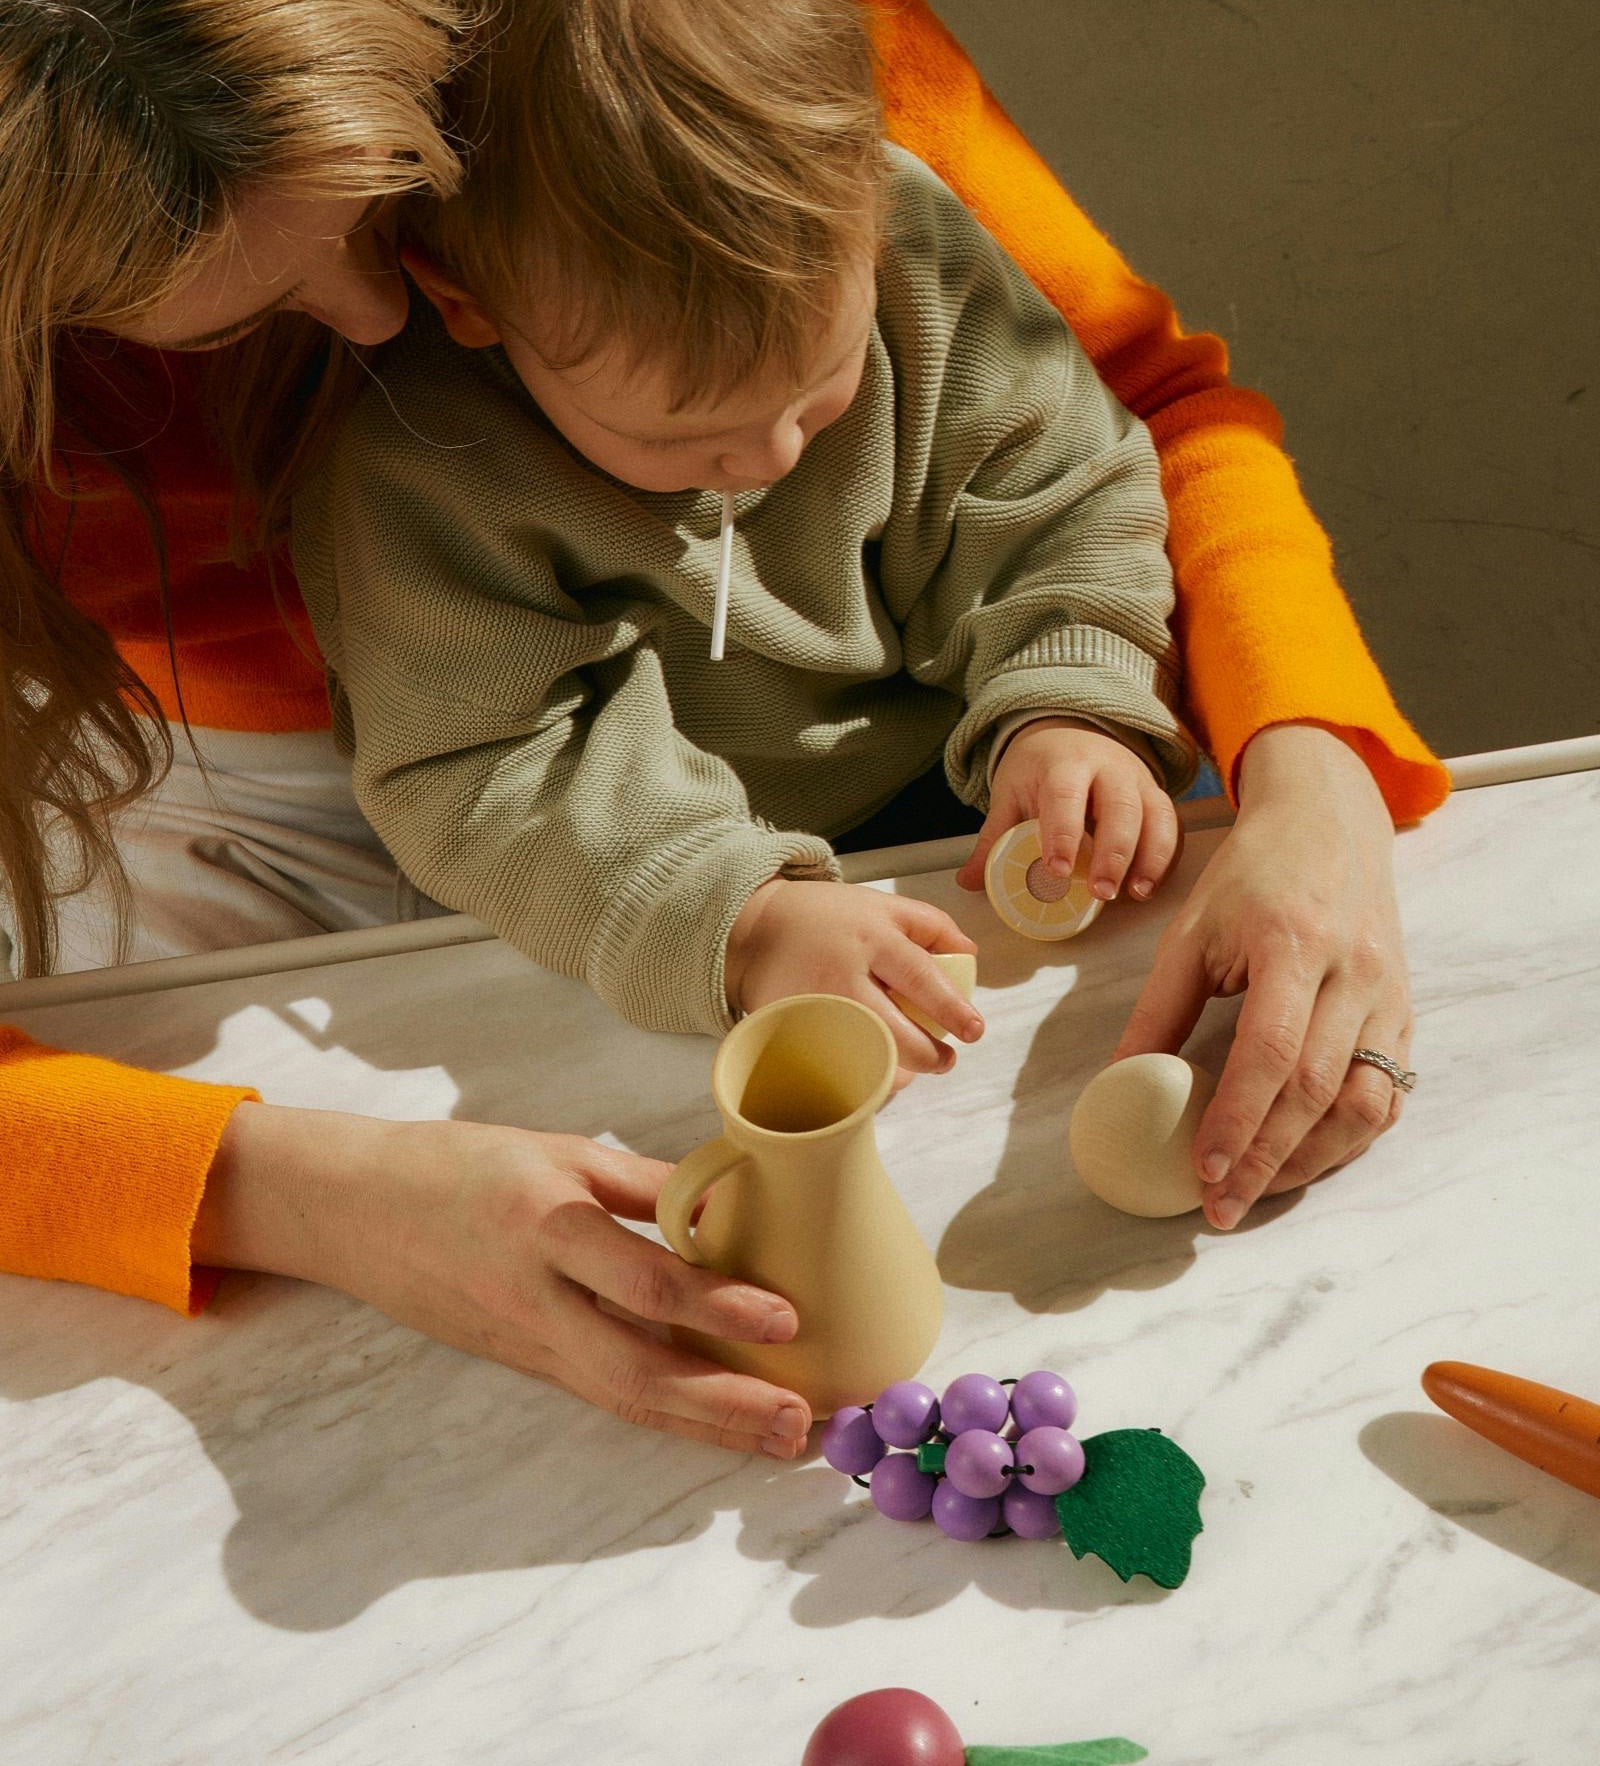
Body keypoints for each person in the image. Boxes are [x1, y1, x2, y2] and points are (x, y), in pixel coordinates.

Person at [0, 0, 1447, 1452]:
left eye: (389, 210)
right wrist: (311, 1191)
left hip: (883, 809)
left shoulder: (758, 92)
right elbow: (495, 759)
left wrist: (1206, 744)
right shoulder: (422, 467)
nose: (384, 325)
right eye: (246, 313)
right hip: (410, 829)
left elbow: (1100, 446)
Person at [294, 0, 1196, 1065]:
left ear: (867, 200)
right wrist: (742, 918)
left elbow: (1055, 484)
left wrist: (1068, 701)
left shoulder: (920, 251)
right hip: (674, 891)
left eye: (818, 395)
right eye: (684, 439)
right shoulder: (425, 463)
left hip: (992, 782)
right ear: (467, 303)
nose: (770, 457)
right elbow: (482, 768)